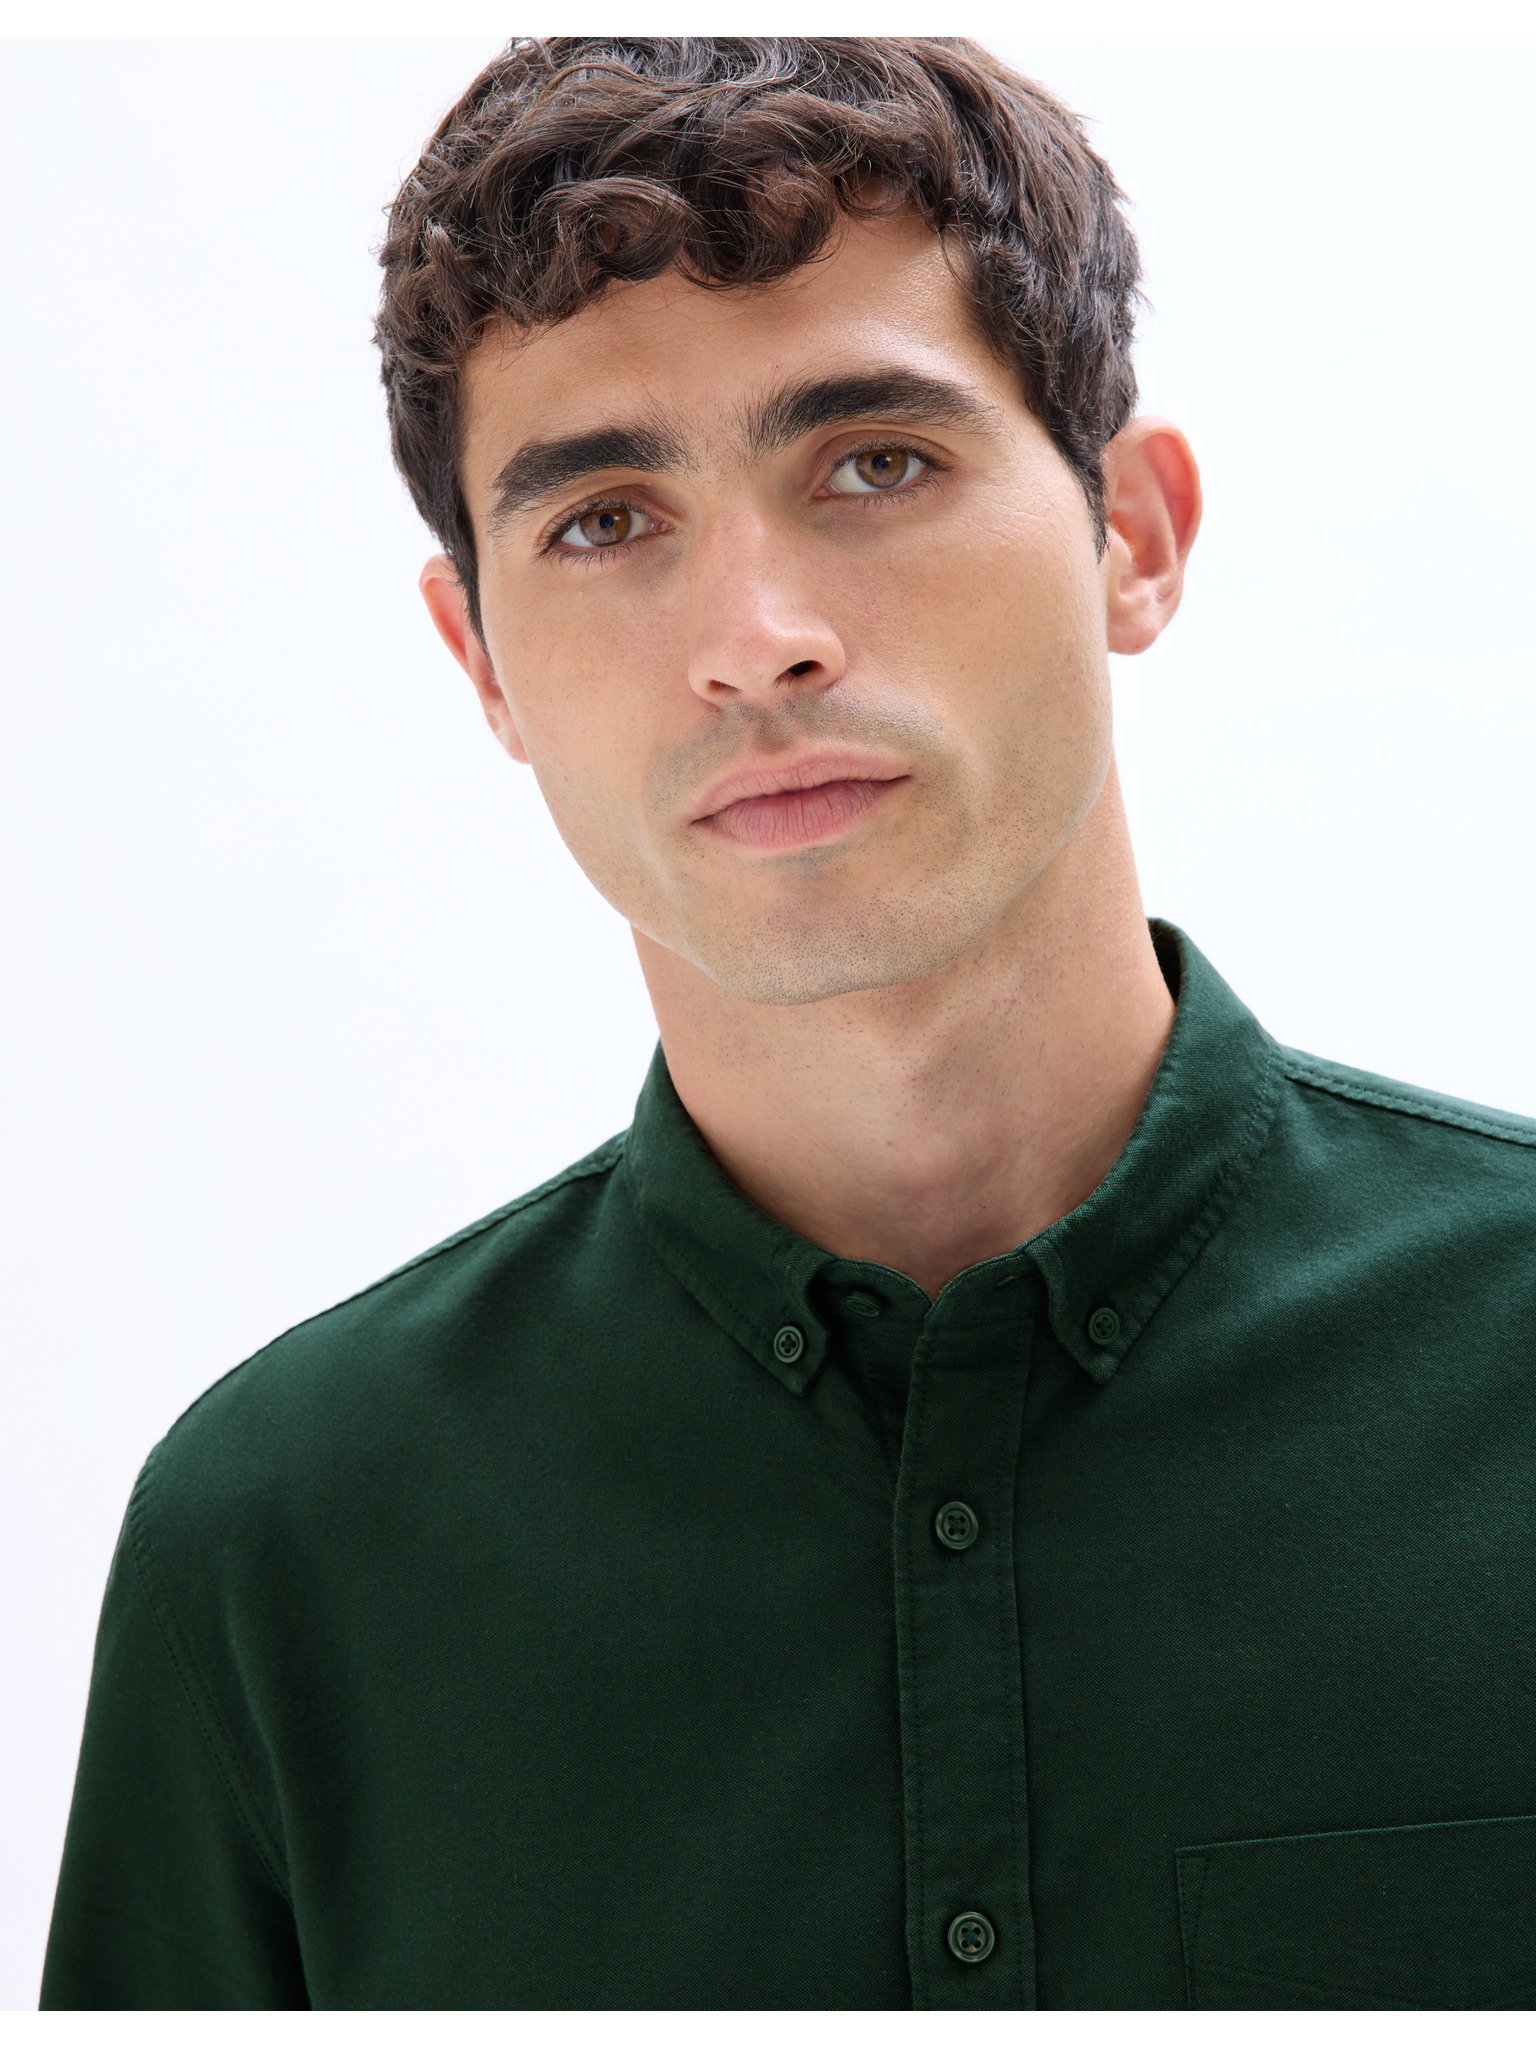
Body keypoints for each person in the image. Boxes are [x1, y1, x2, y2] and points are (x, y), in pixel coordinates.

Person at [40, 37, 1536, 2013]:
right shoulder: (276, 1552)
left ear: (1135, 533)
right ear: (480, 661)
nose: (757, 639)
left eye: (876, 463)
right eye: (603, 521)